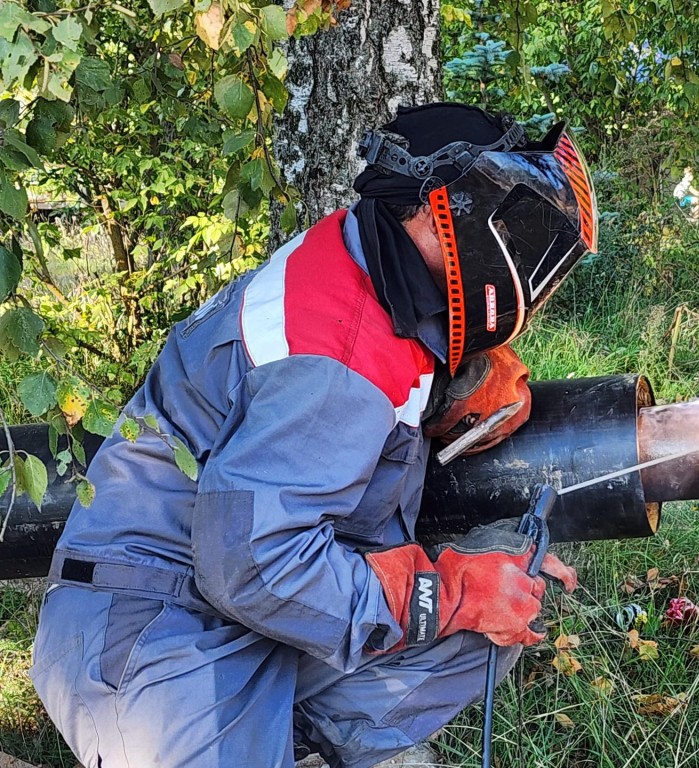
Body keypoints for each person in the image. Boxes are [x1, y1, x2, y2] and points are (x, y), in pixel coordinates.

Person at [30, 102, 599, 768]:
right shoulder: (339, 353)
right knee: (461, 610)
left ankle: (287, 744)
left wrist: (450, 379)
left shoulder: (365, 261)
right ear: (438, 214)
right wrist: (448, 591)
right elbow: (251, 563)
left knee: (481, 633)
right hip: (156, 629)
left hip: (239, 611)